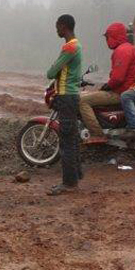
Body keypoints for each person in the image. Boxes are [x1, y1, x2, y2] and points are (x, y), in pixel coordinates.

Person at [78, 22, 135, 142]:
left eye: (108, 37)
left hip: (120, 91)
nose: (107, 41)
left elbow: (118, 78)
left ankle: (97, 134)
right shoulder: (133, 49)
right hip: (131, 89)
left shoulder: (122, 51)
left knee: (82, 101)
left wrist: (107, 86)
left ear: (114, 36)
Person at [45, 14, 83, 195]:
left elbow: (51, 72)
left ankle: (69, 183)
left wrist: (54, 69)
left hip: (66, 97)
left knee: (66, 140)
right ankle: (76, 176)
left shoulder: (69, 47)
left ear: (63, 26)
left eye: (57, 26)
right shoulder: (78, 45)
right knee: (73, 138)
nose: (56, 30)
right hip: (73, 96)